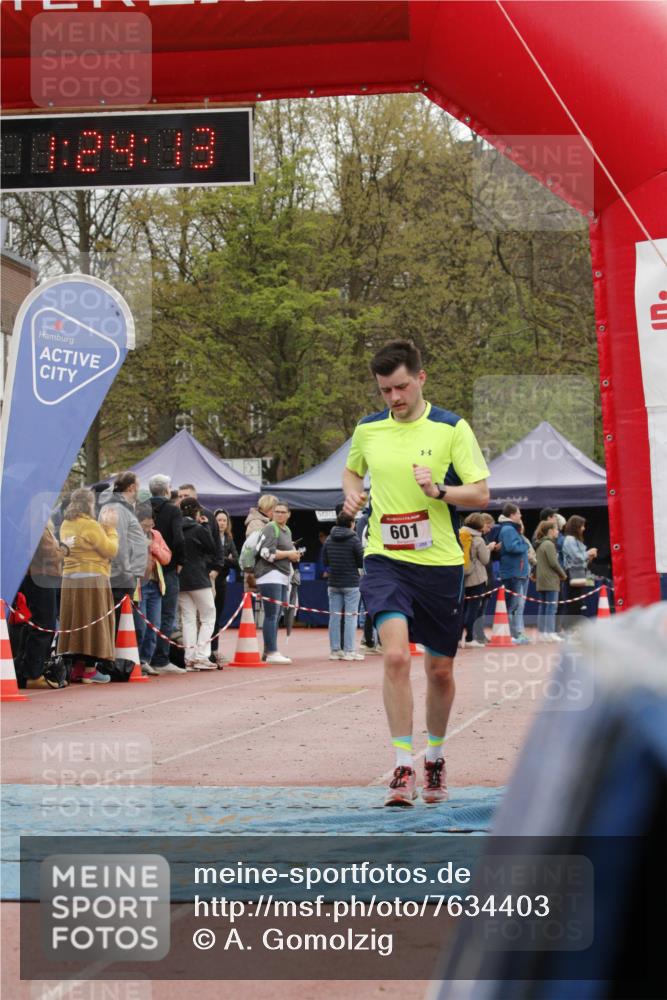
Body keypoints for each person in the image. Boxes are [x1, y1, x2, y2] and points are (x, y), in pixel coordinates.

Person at [342, 339, 490, 806]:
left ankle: (435, 757)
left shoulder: (451, 428)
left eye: (401, 387)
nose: (394, 398)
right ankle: (402, 766)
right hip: (385, 559)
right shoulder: (368, 430)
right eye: (385, 390)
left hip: (441, 563)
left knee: (440, 670)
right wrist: (351, 494)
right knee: (395, 658)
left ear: (421, 378)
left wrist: (440, 491)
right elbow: (352, 471)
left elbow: (482, 495)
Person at [57, 488, 119, 684]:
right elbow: (110, 550)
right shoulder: (91, 525)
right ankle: (90, 669)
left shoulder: (66, 523)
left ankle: (76, 667)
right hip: (93, 578)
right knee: (94, 622)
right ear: (89, 504)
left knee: (75, 622)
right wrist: (110, 529)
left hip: (70, 578)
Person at [13, 524, 66, 689]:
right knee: (44, 626)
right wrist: (65, 549)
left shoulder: (34, 522)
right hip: (41, 576)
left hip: (36, 575)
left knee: (36, 625)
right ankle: (32, 674)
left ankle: (24, 671)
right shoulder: (38, 524)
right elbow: (49, 553)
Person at [97, 472, 147, 631]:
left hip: (122, 574)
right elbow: (118, 543)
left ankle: (115, 654)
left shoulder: (119, 507)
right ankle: (113, 655)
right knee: (118, 624)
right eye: (138, 487)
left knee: (121, 624)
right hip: (120, 576)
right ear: (131, 487)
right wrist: (126, 572)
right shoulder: (117, 509)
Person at [253, 500, 301, 664]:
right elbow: (266, 552)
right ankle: (272, 651)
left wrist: (292, 554)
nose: (280, 514)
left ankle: (269, 651)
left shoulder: (286, 530)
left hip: (282, 575)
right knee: (272, 614)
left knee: (277, 613)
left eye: (283, 512)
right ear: (272, 513)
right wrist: (289, 554)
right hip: (269, 574)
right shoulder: (270, 528)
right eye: (277, 511)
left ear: (289, 514)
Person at [148, 474, 185, 675]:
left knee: (147, 614)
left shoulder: (141, 507)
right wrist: (180, 562)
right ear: (167, 490)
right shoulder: (172, 510)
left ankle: (145, 656)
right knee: (167, 614)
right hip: (167, 567)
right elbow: (179, 539)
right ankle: (161, 659)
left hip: (146, 568)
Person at [178, 497, 217, 670]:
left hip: (181, 579)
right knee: (208, 616)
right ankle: (201, 656)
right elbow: (212, 548)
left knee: (188, 619)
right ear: (196, 512)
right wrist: (206, 526)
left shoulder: (176, 527)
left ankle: (189, 658)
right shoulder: (199, 528)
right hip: (199, 578)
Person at [134, 502, 172, 676]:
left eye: (152, 521)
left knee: (154, 625)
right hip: (139, 586)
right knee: (140, 625)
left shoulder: (156, 535)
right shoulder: (132, 534)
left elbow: (166, 558)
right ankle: (136, 660)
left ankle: (146, 660)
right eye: (148, 521)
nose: (151, 525)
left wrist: (153, 546)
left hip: (155, 585)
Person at [323, 512, 365, 661]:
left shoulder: (328, 539)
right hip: (351, 583)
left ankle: (335, 650)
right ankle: (349, 651)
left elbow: (325, 560)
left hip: (333, 583)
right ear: (351, 523)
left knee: (334, 617)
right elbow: (361, 561)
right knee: (350, 618)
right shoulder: (354, 539)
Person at [497, 503, 531, 645]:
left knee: (517, 605)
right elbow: (512, 547)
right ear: (511, 515)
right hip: (514, 572)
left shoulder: (511, 529)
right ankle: (513, 634)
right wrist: (525, 545)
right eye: (518, 513)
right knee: (514, 605)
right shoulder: (509, 529)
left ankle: (517, 633)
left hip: (518, 571)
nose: (520, 515)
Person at [459, 513, 495, 648]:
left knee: (462, 610)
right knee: (473, 610)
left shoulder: (460, 535)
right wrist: (489, 548)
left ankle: (457, 639)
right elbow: (485, 560)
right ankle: (469, 639)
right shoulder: (478, 540)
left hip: (462, 578)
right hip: (476, 579)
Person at [211, 508, 240, 663]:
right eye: (219, 520)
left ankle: (214, 650)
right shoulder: (209, 536)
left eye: (224, 520)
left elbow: (236, 562)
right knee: (207, 617)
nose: (221, 523)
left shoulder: (229, 539)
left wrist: (223, 560)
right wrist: (224, 559)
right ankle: (204, 650)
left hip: (222, 582)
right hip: (209, 581)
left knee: (217, 617)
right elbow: (211, 558)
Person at [534, 520, 567, 642]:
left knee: (543, 606)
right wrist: (563, 574)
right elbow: (554, 562)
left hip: (542, 579)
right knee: (551, 607)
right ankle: (549, 632)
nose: (558, 531)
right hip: (550, 579)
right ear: (550, 531)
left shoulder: (541, 544)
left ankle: (543, 632)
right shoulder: (549, 544)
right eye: (556, 529)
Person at [562, 515, 597, 626]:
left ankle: (574, 626)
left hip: (579, 572)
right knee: (574, 601)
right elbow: (577, 557)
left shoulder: (575, 540)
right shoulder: (569, 539)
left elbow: (582, 560)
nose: (584, 528)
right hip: (573, 572)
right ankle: (570, 627)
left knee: (578, 601)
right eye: (582, 526)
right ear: (576, 527)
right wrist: (589, 553)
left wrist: (589, 557)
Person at [243, 495, 278, 591]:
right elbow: (258, 549)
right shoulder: (256, 523)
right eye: (275, 509)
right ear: (269, 508)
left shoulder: (265, 523)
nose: (276, 513)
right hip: (256, 574)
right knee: (257, 605)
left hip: (263, 572)